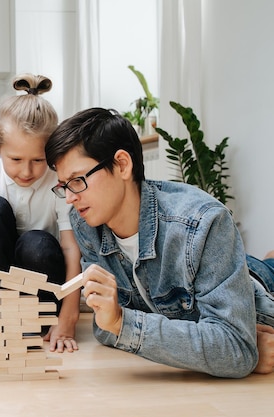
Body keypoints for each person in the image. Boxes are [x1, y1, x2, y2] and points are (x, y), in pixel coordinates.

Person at [44, 107, 274, 378]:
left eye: (77, 181)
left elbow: (234, 350)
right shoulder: (86, 224)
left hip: (257, 288)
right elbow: (104, 327)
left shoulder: (203, 222)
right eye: (63, 186)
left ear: (122, 165)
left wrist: (123, 323)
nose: (70, 197)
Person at [0, 74, 82, 354]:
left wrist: (69, 316)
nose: (27, 172)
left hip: (41, 287)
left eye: (38, 160)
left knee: (35, 242)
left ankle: (33, 322)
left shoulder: (57, 181)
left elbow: (71, 248)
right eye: (15, 160)